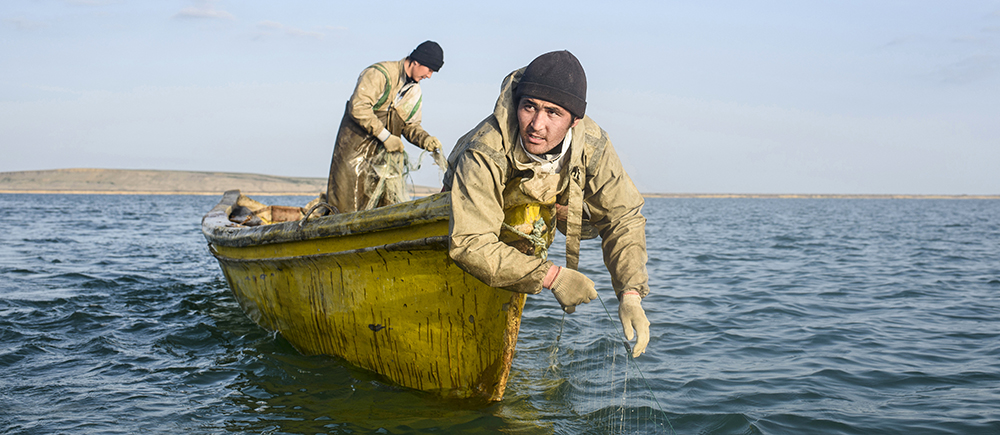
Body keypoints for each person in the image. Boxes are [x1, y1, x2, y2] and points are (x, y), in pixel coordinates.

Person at [442, 50, 651, 357]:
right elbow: (469, 241)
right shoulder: (486, 148)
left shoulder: (592, 143)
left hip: (538, 211)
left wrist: (631, 292)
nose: (536, 124)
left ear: (574, 121)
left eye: (553, 113)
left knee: (587, 216)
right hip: (474, 219)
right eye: (529, 107)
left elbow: (623, 216)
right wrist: (553, 277)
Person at [325, 40, 445, 214]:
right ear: (416, 62)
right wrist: (386, 137)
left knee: (385, 208)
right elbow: (358, 107)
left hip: (385, 163)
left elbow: (410, 125)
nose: (429, 76)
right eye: (429, 69)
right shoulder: (379, 74)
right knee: (345, 206)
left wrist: (425, 139)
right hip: (354, 155)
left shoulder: (414, 91)